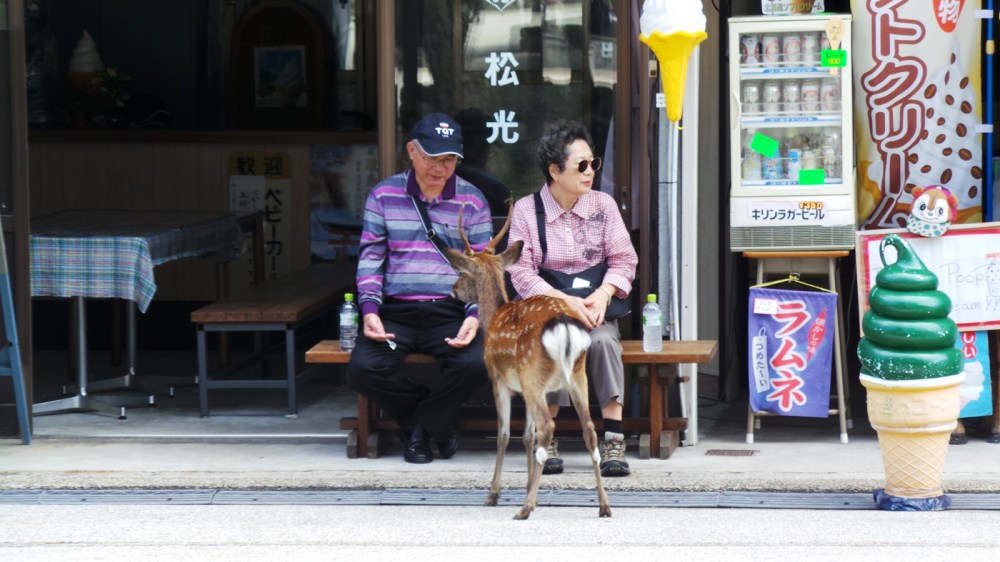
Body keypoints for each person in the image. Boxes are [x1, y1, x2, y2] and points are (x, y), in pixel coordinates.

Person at [346, 112, 494, 464]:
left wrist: (474, 315)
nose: (440, 168)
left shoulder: (472, 201)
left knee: (477, 363)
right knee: (362, 369)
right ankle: (432, 424)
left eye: (448, 160)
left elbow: (481, 269)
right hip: (396, 311)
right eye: (431, 157)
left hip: (450, 311)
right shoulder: (383, 195)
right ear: (412, 151)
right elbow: (371, 258)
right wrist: (369, 310)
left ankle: (418, 430)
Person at [506, 120, 638, 477]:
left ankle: (613, 438)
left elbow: (625, 259)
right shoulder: (527, 211)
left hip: (594, 307)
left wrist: (604, 293)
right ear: (554, 170)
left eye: (593, 162)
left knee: (605, 342)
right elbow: (519, 271)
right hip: (549, 311)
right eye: (581, 164)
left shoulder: (603, 206)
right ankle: (546, 438)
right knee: (553, 342)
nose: (590, 171)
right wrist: (560, 302)